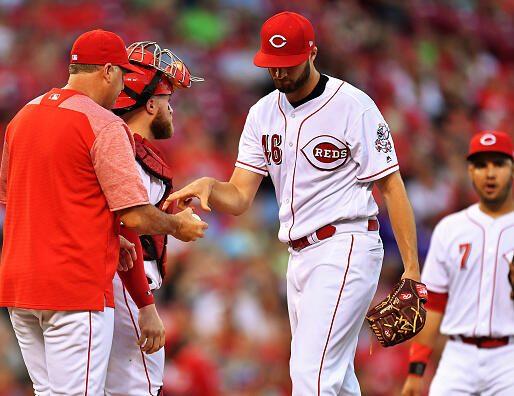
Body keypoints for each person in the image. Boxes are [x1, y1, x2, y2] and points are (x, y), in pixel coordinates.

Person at [163, 11, 422, 395]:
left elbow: (393, 187)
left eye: (288, 64)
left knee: (311, 374)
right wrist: (208, 186)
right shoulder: (261, 113)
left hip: (346, 245)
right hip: (298, 256)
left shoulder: (354, 106)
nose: (280, 73)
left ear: (312, 53)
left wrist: (413, 270)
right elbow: (238, 197)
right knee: (334, 376)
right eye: (273, 65)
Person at [0, 29, 207, 396]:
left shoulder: (22, 117)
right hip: (75, 288)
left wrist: (110, 236)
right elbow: (137, 217)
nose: (123, 84)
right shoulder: (103, 123)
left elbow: (28, 200)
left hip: (20, 288)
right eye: (123, 75)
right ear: (108, 71)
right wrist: (177, 225)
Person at [103, 41, 204, 396]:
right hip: (124, 284)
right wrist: (146, 306)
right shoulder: (128, 151)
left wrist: (170, 210)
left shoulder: (108, 143)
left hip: (105, 285)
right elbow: (128, 229)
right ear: (149, 103)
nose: (171, 110)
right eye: (168, 101)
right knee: (140, 389)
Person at [401, 131, 514, 396]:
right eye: (481, 165)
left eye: (498, 164)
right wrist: (416, 371)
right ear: (469, 171)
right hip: (457, 357)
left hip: (509, 358)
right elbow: (435, 303)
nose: (489, 173)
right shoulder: (450, 229)